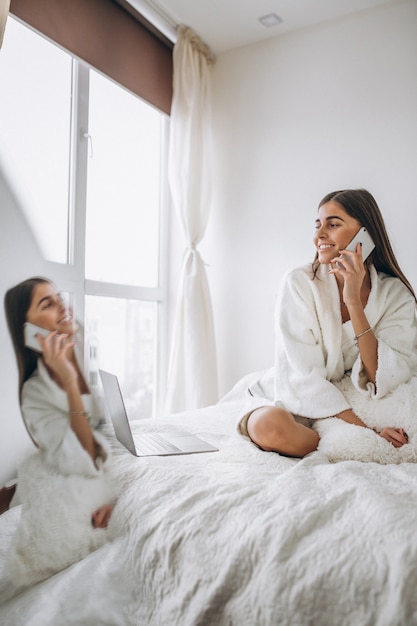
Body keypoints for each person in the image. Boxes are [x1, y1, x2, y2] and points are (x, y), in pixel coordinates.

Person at [240, 189, 417, 457]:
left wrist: (354, 304)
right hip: (292, 393)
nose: (319, 235)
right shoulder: (299, 283)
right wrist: (367, 432)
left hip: (347, 402)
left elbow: (384, 374)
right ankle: (329, 438)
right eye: (318, 225)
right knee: (270, 427)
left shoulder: (395, 296)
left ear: (365, 236)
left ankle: (329, 435)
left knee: (301, 437)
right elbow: (301, 375)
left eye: (333, 225)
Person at [5, 277, 114, 528]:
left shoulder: (82, 342)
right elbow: (84, 457)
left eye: (60, 299)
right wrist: (69, 380)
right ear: (29, 330)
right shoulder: (34, 395)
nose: (63, 307)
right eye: (47, 304)